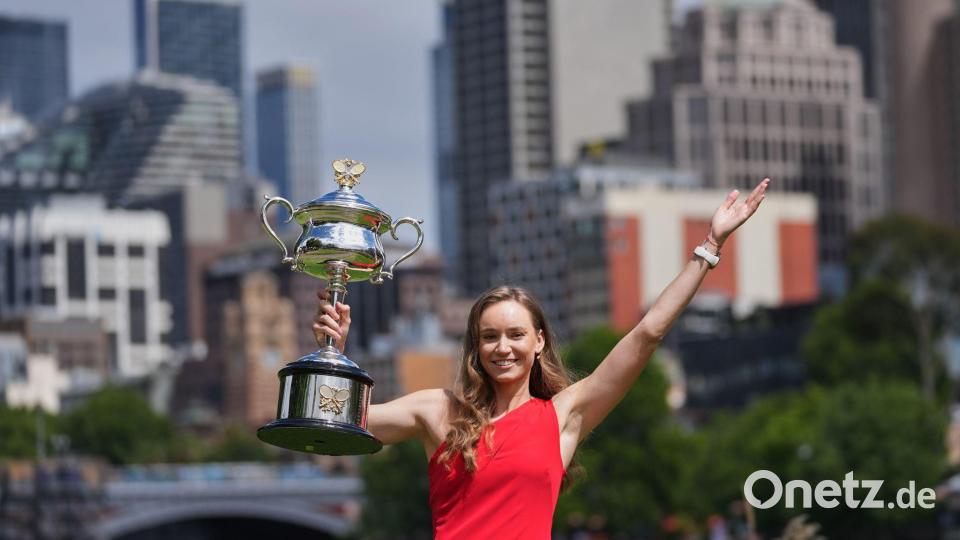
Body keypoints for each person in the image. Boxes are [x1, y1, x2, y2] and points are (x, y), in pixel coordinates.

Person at [313, 178, 771, 539]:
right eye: (489, 337)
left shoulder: (562, 417)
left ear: (538, 341)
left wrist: (710, 246)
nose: (503, 347)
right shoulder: (438, 410)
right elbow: (333, 422)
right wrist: (334, 354)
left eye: (515, 334)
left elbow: (647, 333)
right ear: (475, 346)